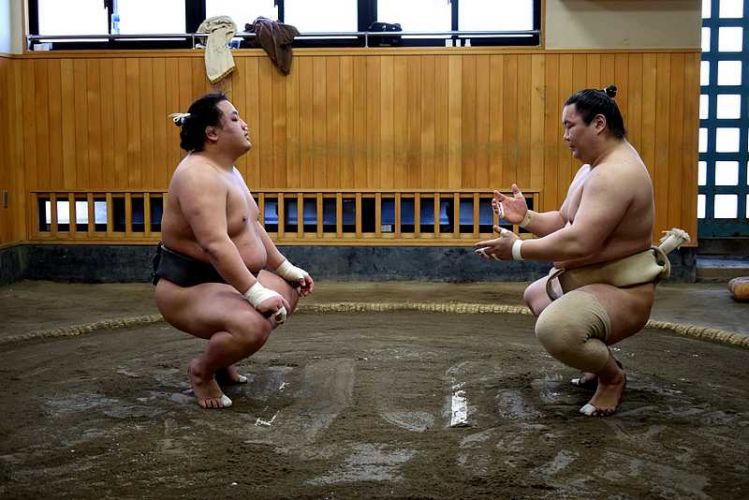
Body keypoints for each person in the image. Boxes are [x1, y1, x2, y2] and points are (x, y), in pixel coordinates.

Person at [474, 85, 687, 417]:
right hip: (595, 279)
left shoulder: (617, 174)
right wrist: (526, 217)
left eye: (570, 126)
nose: (565, 136)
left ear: (598, 124)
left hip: (625, 290)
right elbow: (564, 221)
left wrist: (516, 249)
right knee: (537, 296)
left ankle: (612, 379)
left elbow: (579, 242)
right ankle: (597, 360)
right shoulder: (592, 167)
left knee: (555, 328)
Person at [153, 93, 314, 410]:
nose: (245, 124)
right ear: (212, 132)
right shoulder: (197, 175)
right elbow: (215, 244)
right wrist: (255, 293)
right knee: (252, 325)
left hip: (222, 281)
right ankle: (202, 371)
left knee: (288, 292)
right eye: (235, 118)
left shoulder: (226, 169)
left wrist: (285, 269)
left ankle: (225, 353)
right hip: (187, 287)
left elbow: (251, 226)